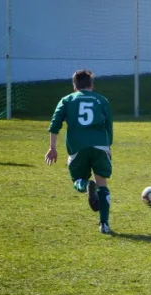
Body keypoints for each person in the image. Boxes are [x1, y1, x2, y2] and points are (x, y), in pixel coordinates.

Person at [45, 69, 114, 234]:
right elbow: (109, 126)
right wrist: (108, 146)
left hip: (78, 146)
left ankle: (84, 185)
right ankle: (104, 224)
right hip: (100, 145)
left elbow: (55, 124)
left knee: (77, 178)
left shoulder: (67, 100)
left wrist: (52, 148)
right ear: (92, 85)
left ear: (74, 86)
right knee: (102, 184)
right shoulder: (101, 100)